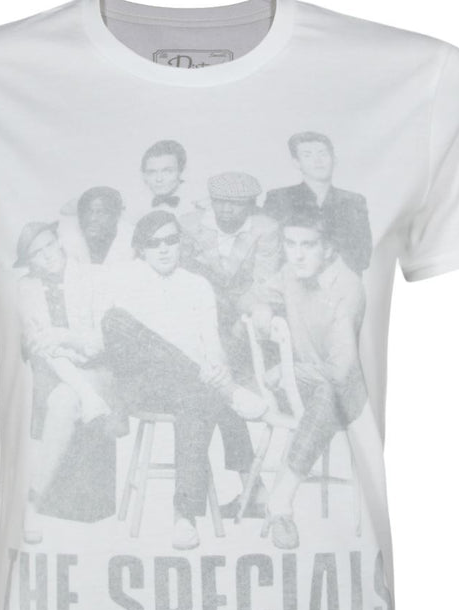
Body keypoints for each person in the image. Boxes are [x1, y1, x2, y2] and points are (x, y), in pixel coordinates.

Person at [99, 210, 270, 549]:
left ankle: (184, 517)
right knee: (115, 319)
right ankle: (255, 485)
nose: (164, 249)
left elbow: (212, 344)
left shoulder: (197, 285)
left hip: (194, 387)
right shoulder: (127, 282)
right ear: (141, 249)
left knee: (199, 396)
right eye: (154, 243)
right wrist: (215, 378)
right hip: (144, 384)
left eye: (171, 240)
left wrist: (219, 368)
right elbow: (120, 342)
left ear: (180, 243)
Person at [249, 206, 369, 549]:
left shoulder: (348, 288)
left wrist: (289, 370)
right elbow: (257, 294)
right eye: (290, 244)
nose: (297, 255)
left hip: (347, 393)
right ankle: (275, 501)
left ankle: (280, 502)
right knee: (318, 393)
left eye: (308, 245)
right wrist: (262, 309)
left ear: (329, 248)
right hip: (301, 385)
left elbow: (340, 372)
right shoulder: (290, 272)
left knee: (329, 394)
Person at [13, 220, 116, 543]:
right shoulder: (25, 288)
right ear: (29, 262)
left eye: (49, 245)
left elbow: (102, 341)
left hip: (99, 371)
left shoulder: (94, 277)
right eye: (37, 253)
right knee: (59, 389)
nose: (47, 256)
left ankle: (31, 504)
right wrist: (47, 342)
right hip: (52, 372)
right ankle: (86, 398)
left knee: (63, 398)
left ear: (59, 242)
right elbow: (31, 341)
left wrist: (64, 337)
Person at [179, 171, 282, 378]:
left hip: (245, 298)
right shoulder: (189, 223)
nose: (226, 209)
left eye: (236, 203)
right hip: (203, 299)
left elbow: (263, 282)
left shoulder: (266, 228)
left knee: (260, 317)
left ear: (251, 204)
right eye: (219, 201)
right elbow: (182, 273)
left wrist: (244, 317)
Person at [262, 131, 372, 275]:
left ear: (334, 159)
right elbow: (268, 252)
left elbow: (363, 257)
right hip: (291, 284)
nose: (318, 161)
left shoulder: (353, 201)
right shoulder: (279, 198)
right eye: (307, 155)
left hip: (342, 283)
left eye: (323, 154)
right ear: (296, 162)